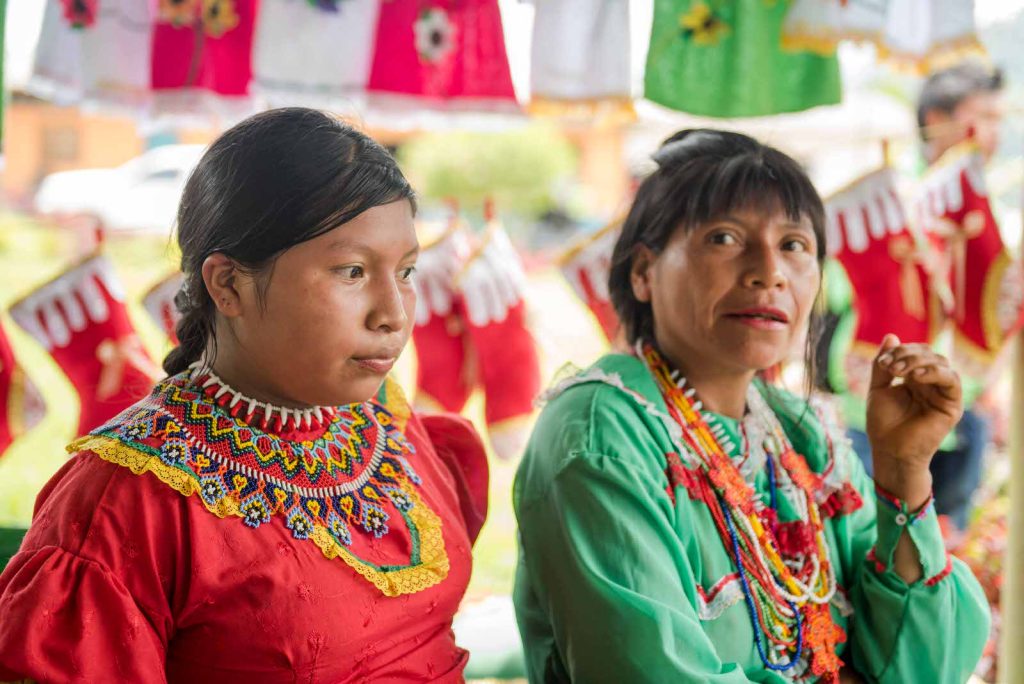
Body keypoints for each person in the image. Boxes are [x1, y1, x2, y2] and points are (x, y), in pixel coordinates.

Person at [0, 108, 488, 682]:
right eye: (352, 272)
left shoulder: (392, 427)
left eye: (406, 271)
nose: (394, 313)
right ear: (227, 283)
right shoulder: (125, 503)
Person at [512, 130, 989, 683]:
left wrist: (904, 470)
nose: (769, 271)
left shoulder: (800, 433)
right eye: (724, 238)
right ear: (643, 272)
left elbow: (921, 665)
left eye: (794, 245)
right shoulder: (603, 431)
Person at [840, 60, 1005, 532]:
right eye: (984, 117)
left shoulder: (980, 201)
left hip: (963, 410)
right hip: (882, 407)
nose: (992, 133)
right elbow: (842, 289)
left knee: (947, 552)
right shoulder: (885, 198)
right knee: (881, 544)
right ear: (937, 118)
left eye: (999, 120)